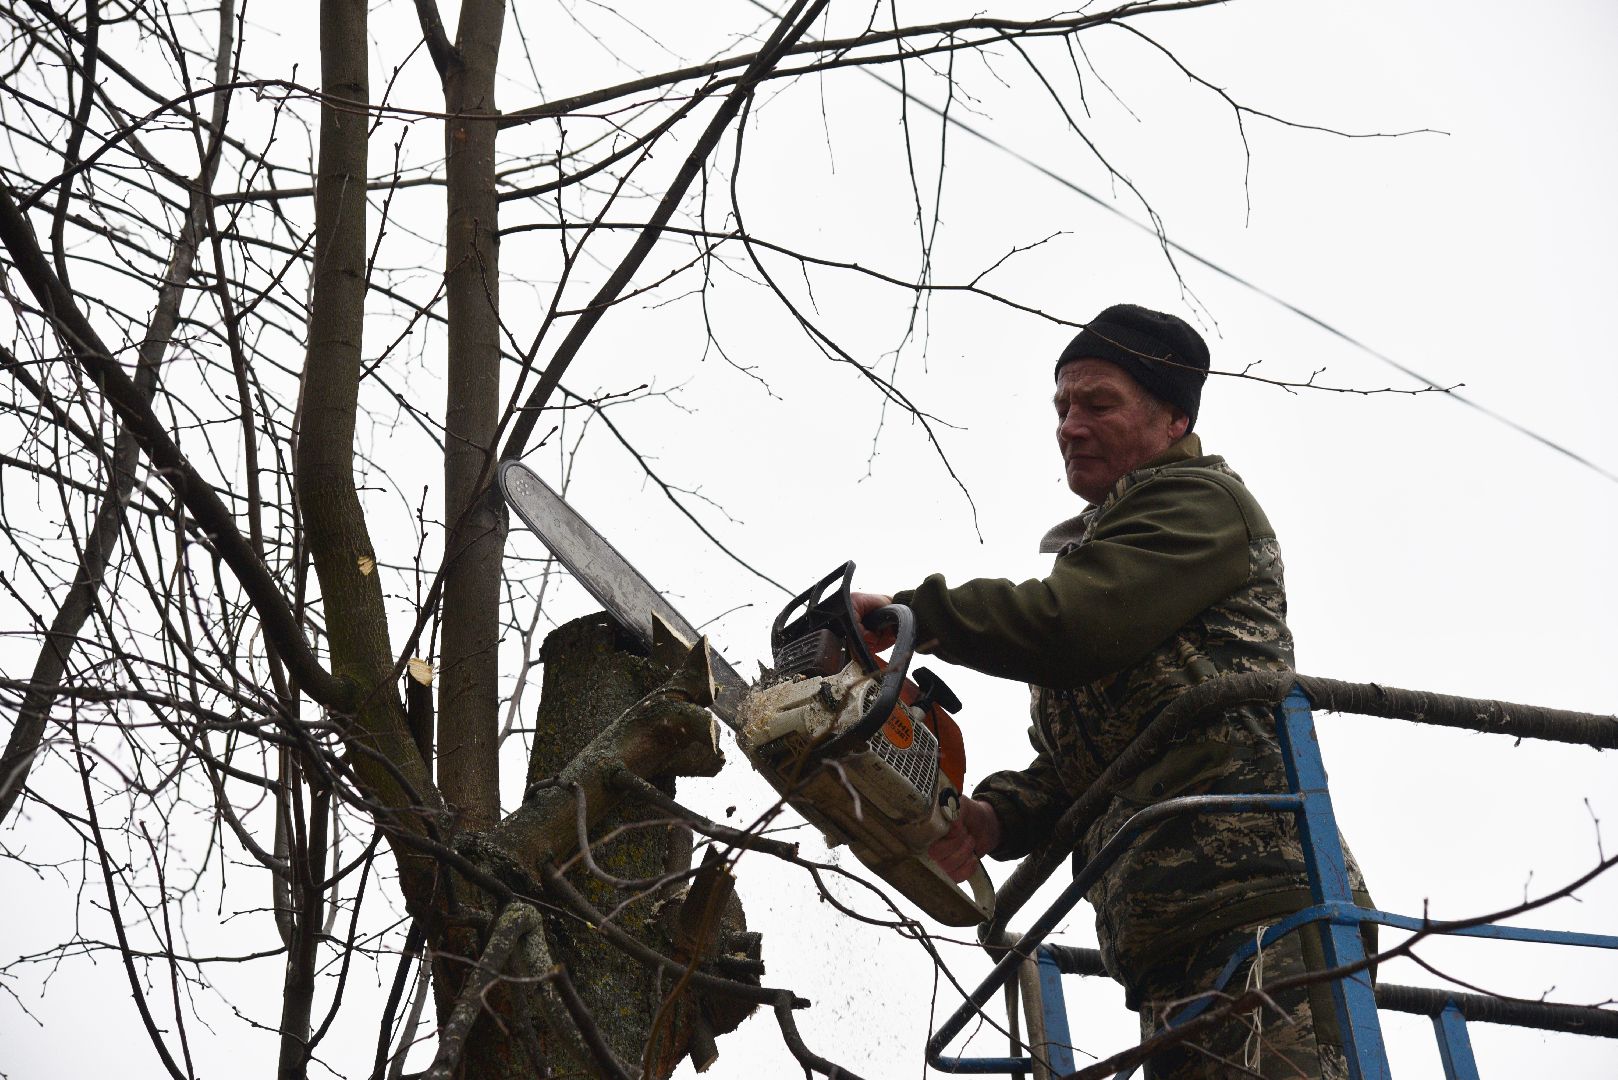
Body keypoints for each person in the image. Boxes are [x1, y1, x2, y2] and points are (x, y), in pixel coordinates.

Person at [853, 304, 1371, 1079]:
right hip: (1165, 937)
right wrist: (998, 816)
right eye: (1062, 406)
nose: (1070, 425)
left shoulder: (1201, 505)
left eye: (1098, 404)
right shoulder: (1106, 548)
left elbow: (1070, 628)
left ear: (1172, 418)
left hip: (1263, 913)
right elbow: (1086, 762)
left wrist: (917, 615)